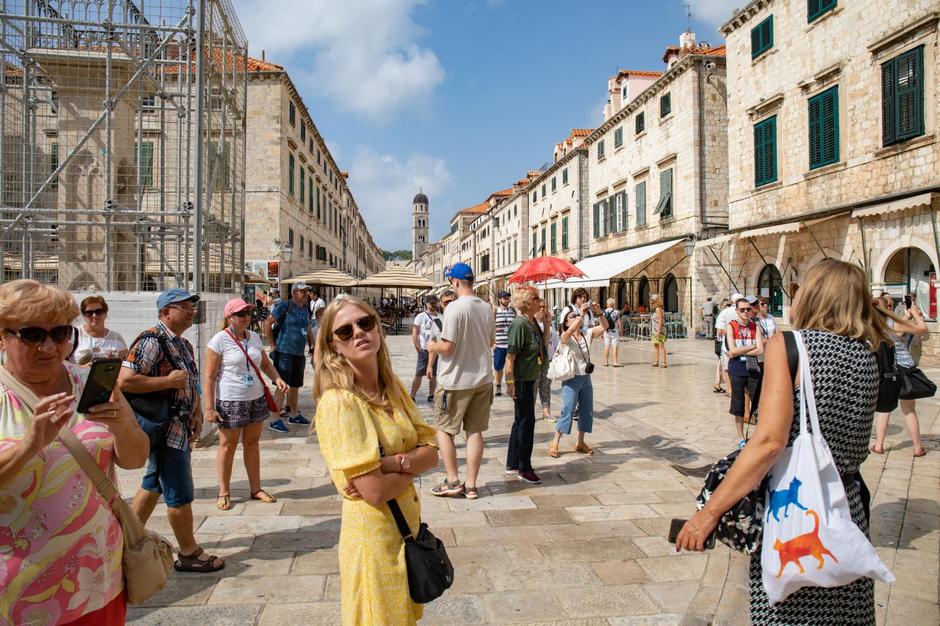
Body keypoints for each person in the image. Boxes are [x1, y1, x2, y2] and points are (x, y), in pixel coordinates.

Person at [677, 259, 890, 626]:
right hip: (847, 504)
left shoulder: (788, 345)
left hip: (797, 510)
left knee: (788, 612)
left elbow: (769, 442)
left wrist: (708, 514)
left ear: (813, 296)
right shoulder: (869, 353)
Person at [0, 280, 148, 625]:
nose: (49, 347)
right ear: (2, 335)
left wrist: (122, 425)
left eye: (61, 333)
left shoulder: (90, 383)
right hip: (15, 593)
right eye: (32, 335)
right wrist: (29, 446)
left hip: (97, 579)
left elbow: (136, 459)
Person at [313, 295, 439, 626]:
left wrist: (390, 464)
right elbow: (374, 492)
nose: (358, 332)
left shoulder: (392, 387)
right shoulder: (340, 403)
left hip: (404, 535)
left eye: (365, 323)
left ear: (378, 329)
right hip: (375, 544)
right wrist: (412, 464)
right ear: (334, 346)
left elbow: (433, 446)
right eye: (344, 331)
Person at [120, 288, 225, 573]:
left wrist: (196, 412)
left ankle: (123, 540)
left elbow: (189, 383)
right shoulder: (151, 341)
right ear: (166, 312)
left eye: (192, 306)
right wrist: (166, 381)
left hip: (180, 425)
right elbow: (125, 381)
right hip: (165, 429)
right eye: (184, 307)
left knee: (153, 482)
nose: (192, 311)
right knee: (179, 491)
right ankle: (189, 553)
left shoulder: (183, 344)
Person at [204, 299, 290, 511]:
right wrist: (209, 407)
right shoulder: (219, 340)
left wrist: (277, 378)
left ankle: (256, 488)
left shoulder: (253, 338)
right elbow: (209, 377)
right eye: (241, 314)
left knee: (252, 444)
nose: (246, 317)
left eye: (248, 313)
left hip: (255, 398)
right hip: (230, 399)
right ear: (230, 317)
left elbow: (266, 364)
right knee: (228, 445)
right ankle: (224, 491)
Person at [427, 263, 494, 500]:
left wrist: (432, 346)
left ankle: (453, 480)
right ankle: (472, 485)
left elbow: (448, 346)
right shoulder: (487, 308)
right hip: (482, 378)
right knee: (475, 432)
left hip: (455, 380)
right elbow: (491, 341)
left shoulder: (454, 309)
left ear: (454, 283)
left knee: (444, 430)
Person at [549, 300, 609, 458]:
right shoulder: (565, 336)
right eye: (572, 316)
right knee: (568, 410)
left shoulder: (586, 334)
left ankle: (580, 442)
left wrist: (599, 312)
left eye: (576, 315)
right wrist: (580, 315)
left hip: (586, 378)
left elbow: (605, 327)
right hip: (571, 378)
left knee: (586, 410)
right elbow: (567, 335)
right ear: (566, 321)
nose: (576, 317)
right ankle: (555, 442)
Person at [871, 294, 928, 457]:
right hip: (904, 368)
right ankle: (917, 447)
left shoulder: (877, 324)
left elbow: (897, 331)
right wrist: (916, 314)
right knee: (909, 409)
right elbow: (922, 329)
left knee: (885, 408)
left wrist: (907, 316)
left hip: (887, 370)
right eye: (891, 306)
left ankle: (879, 444)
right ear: (888, 308)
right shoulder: (896, 323)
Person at [504, 286, 548, 484]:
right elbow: (510, 356)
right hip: (522, 380)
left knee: (520, 421)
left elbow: (543, 343)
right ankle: (525, 467)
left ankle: (513, 463)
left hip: (531, 378)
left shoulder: (532, 322)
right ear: (527, 302)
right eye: (537, 298)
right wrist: (510, 381)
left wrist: (546, 323)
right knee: (526, 423)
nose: (541, 301)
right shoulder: (519, 324)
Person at [265, 282, 314, 433]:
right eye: (302, 292)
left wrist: (313, 345)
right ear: (294, 293)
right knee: (282, 385)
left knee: (295, 385)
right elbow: (268, 322)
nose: (305, 294)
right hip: (284, 352)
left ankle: (293, 414)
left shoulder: (305, 309)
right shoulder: (285, 306)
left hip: (298, 353)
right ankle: (274, 418)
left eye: (307, 292)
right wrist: (272, 345)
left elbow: (307, 328)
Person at [724, 296, 765, 448]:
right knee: (738, 404)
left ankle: (759, 435)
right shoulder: (731, 326)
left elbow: (760, 350)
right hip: (737, 368)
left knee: (758, 402)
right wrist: (751, 346)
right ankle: (741, 438)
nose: (746, 312)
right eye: (742, 310)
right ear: (737, 311)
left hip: (753, 367)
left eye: (748, 309)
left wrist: (739, 352)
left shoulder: (755, 326)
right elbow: (732, 349)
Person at [74, 295, 128, 366]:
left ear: (105, 314)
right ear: (84, 315)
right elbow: (61, 362)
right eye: (89, 313)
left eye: (98, 312)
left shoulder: (116, 337)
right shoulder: (74, 334)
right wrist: (82, 368)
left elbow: (127, 364)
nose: (94, 316)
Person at [410, 295, 442, 403]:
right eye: (431, 303)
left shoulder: (439, 317)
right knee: (419, 373)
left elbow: (441, 333)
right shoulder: (421, 316)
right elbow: (415, 332)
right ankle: (412, 395)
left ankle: (431, 395)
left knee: (433, 374)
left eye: (435, 303)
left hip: (435, 349)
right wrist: (417, 346)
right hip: (424, 349)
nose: (433, 305)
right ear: (426, 304)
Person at [535, 299, 558, 420]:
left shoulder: (549, 322)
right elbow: (543, 340)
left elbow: (554, 340)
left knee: (546, 386)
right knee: (534, 386)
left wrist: (556, 353)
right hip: (536, 360)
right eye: (540, 307)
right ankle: (530, 412)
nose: (543, 309)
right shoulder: (532, 323)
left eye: (545, 307)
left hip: (548, 358)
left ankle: (546, 411)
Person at [714, 295, 741, 394]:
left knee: (726, 366)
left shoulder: (725, 312)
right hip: (740, 344)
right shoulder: (745, 311)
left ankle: (729, 390)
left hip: (726, 344)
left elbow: (720, 329)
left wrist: (730, 335)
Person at [426, 289, 455, 380]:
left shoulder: (464, 319)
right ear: (441, 305)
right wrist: (430, 366)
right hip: (444, 369)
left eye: (452, 301)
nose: (450, 304)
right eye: (446, 302)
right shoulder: (438, 321)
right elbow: (434, 342)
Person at [492, 290, 516, 396]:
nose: (507, 300)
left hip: (510, 344)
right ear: (500, 299)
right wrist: (492, 343)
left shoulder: (513, 311)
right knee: (498, 367)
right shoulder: (495, 311)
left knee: (510, 366)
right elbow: (490, 328)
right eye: (505, 298)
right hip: (499, 344)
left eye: (508, 298)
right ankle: (498, 385)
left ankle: (510, 385)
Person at [602, 297, 622, 367]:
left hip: (606, 331)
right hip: (614, 331)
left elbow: (602, 323)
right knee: (615, 346)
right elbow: (619, 322)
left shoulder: (603, 312)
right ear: (613, 304)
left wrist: (601, 332)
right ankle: (615, 362)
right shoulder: (617, 312)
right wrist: (621, 330)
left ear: (607, 304)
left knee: (606, 346)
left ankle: (606, 362)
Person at [650, 295, 667, 368]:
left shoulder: (658, 309)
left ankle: (664, 362)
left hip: (659, 330)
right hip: (655, 330)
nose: (650, 303)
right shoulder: (656, 309)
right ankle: (656, 361)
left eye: (651, 301)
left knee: (661, 346)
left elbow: (660, 320)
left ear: (655, 302)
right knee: (656, 346)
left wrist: (659, 331)